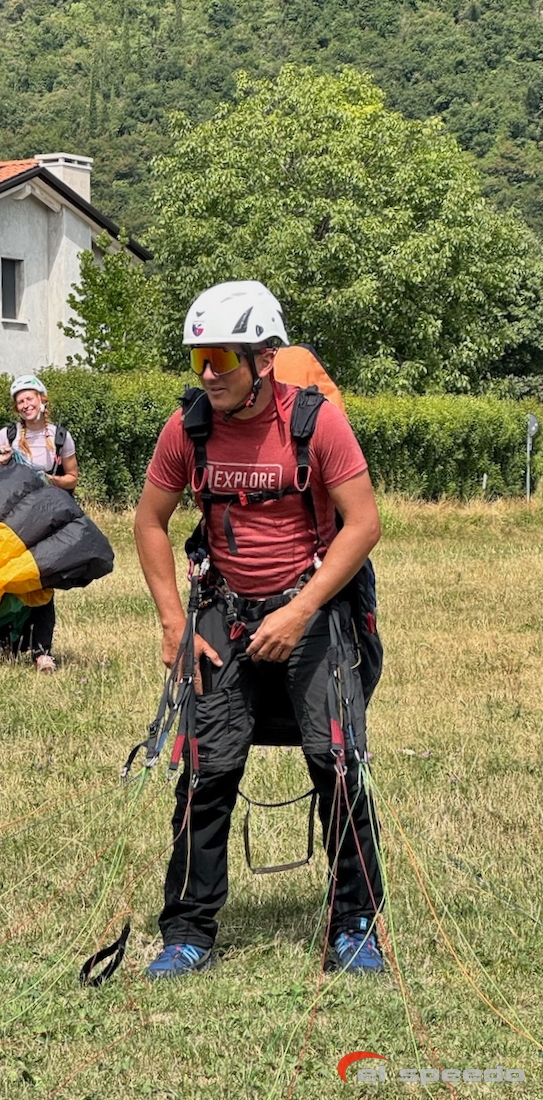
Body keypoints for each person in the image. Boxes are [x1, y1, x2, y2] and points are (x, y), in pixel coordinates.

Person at [134, 281, 385, 978]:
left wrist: (300, 611)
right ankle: (187, 933)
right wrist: (172, 623)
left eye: (219, 357)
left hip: (314, 610)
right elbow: (149, 523)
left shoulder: (316, 423)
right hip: (224, 612)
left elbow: (363, 525)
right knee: (204, 773)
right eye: (197, 360)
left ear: (264, 358)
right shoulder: (188, 428)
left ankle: (357, 926)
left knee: (338, 768)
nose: (207, 373)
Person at [0, 374, 78, 672]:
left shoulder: (61, 437)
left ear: (42, 399)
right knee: (7, 581)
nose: (25, 405)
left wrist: (49, 479)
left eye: (29, 398)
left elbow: (72, 478)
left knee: (42, 582)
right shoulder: (7, 436)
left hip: (48, 521)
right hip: (13, 521)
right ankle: (5, 642)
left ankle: (42, 652)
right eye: (20, 402)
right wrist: (1, 462)